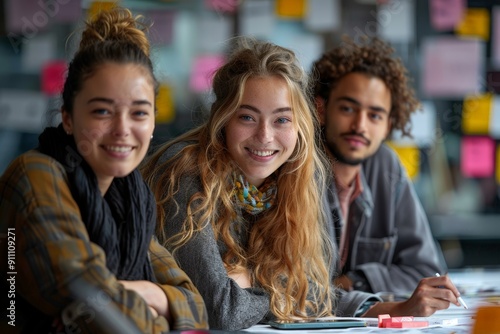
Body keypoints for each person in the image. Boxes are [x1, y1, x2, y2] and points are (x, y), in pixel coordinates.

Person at [141, 38, 463, 331]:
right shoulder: (185, 176)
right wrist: (276, 285)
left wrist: (391, 309)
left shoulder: (286, 181)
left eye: (282, 119)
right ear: (222, 119)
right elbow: (220, 311)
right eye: (247, 117)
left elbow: (314, 294)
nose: (265, 136)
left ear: (300, 127)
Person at [0, 8, 207, 333]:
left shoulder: (130, 199)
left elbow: (194, 305)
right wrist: (156, 310)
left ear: (153, 122)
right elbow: (93, 301)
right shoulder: (36, 174)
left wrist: (147, 293)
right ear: (68, 117)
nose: (122, 129)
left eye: (139, 113)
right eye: (102, 111)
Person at [311, 36, 445, 295]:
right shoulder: (294, 166)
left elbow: (427, 272)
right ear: (321, 109)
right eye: (348, 109)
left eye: (374, 115)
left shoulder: (387, 166)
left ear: (388, 125)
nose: (360, 126)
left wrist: (355, 281)